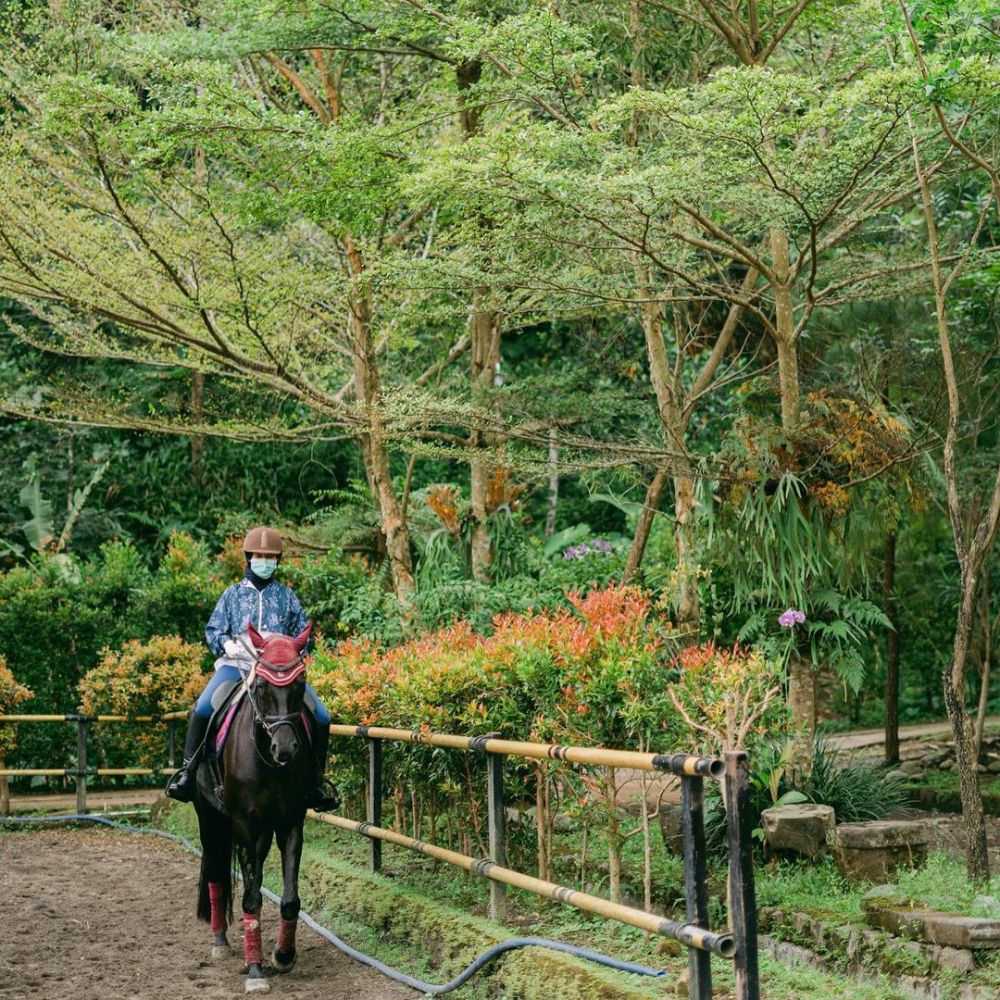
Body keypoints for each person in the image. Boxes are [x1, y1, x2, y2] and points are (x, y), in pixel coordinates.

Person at [165, 525, 339, 810]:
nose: (265, 561)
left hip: (277, 674)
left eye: (271, 557)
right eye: (259, 555)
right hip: (237, 667)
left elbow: (303, 638)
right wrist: (227, 646)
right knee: (203, 708)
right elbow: (213, 631)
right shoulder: (232, 595)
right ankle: (188, 773)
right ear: (249, 557)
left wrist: (292, 653)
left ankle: (316, 782)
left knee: (320, 715)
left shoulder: (287, 597)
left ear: (278, 560)